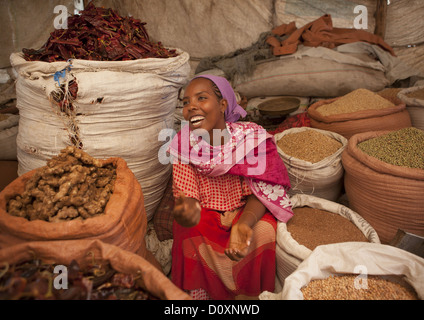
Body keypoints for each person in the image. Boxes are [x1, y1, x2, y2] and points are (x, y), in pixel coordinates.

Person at [168, 74, 293, 300]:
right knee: (188, 231)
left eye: (201, 98)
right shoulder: (182, 143)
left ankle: (250, 296)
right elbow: (186, 193)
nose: (192, 107)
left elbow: (263, 190)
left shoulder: (250, 138)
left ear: (223, 105)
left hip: (245, 211)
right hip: (206, 213)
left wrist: (244, 223)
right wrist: (187, 210)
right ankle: (200, 295)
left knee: (264, 231)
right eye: (186, 103)